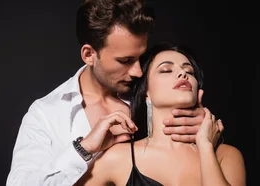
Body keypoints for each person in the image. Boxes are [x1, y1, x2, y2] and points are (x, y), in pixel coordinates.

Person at [5, 0, 223, 185]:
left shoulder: (155, 90)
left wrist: (198, 126)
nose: (138, 71)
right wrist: (84, 148)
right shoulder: (47, 114)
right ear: (89, 54)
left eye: (142, 57)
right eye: (125, 61)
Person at [75, 42, 245, 185]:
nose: (183, 74)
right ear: (146, 91)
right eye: (166, 70)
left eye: (190, 72)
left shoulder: (225, 155)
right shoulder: (119, 157)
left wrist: (206, 146)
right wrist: (85, 148)